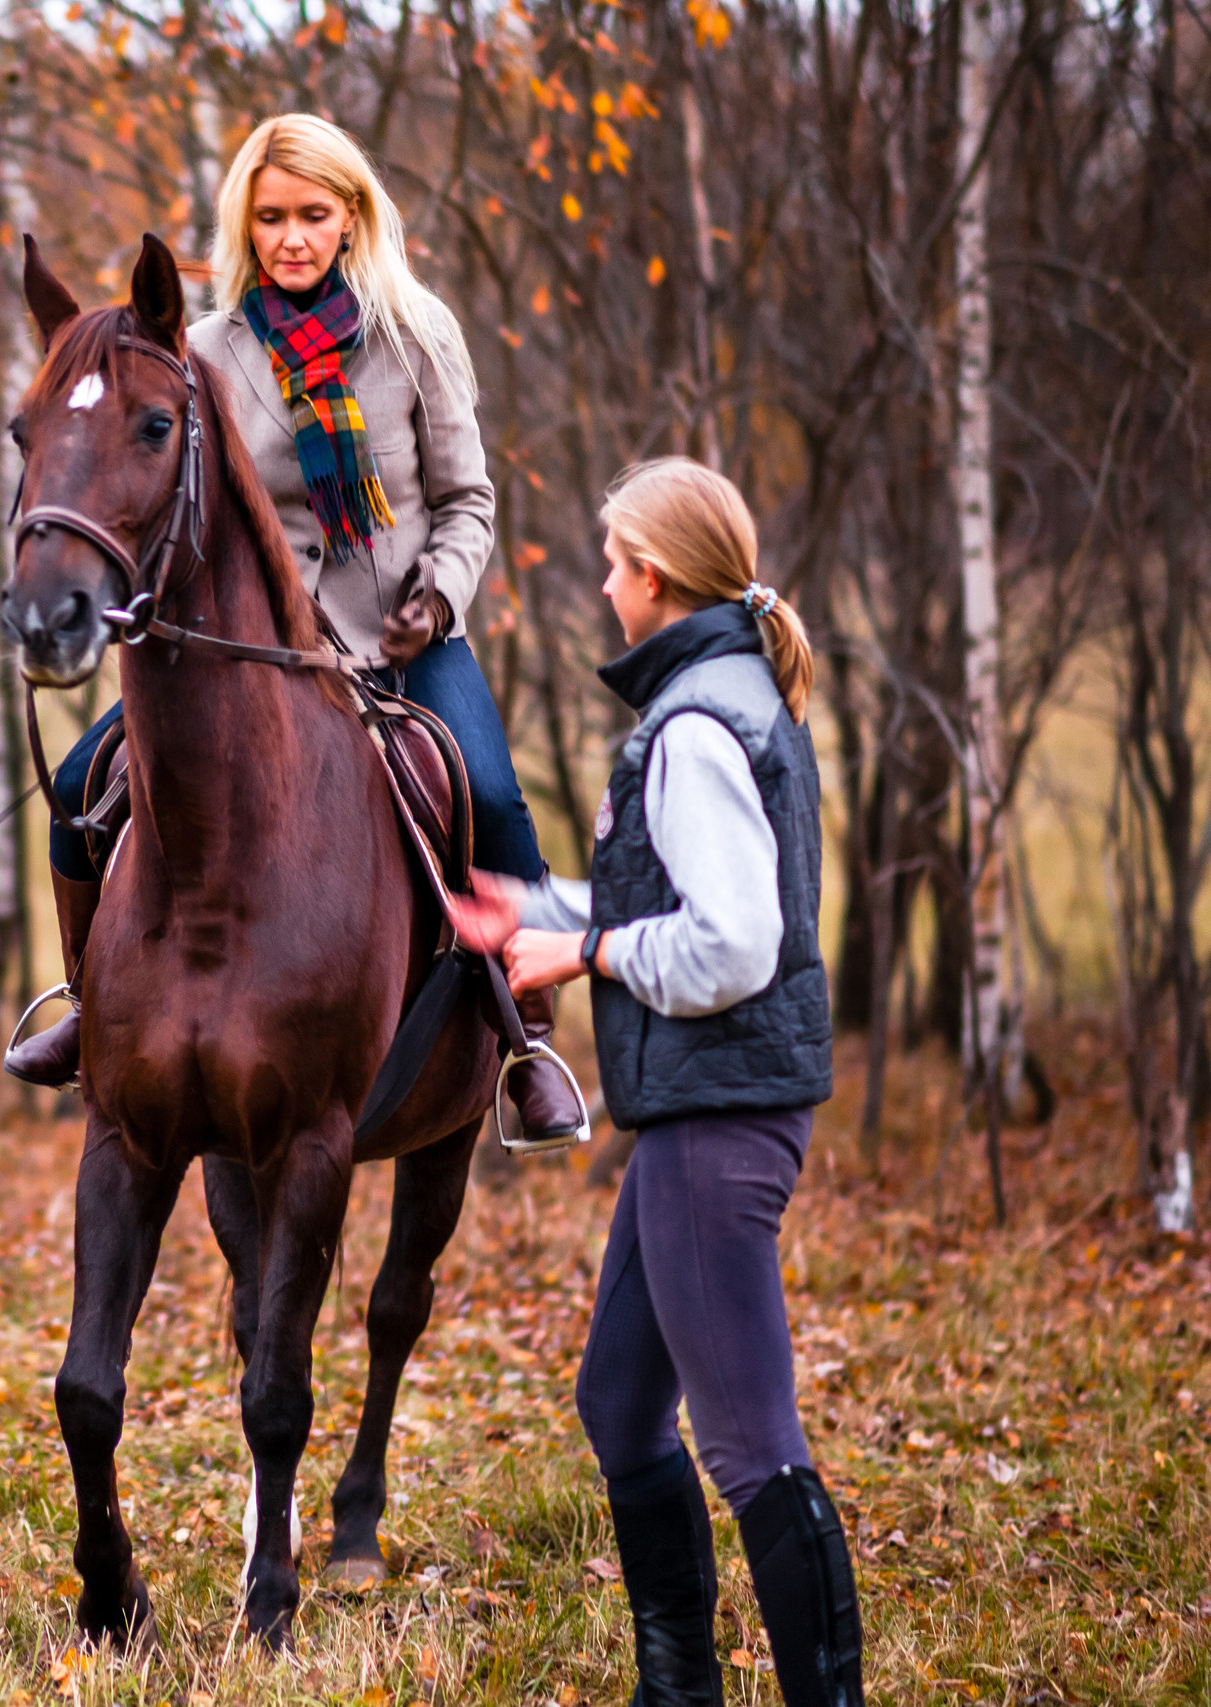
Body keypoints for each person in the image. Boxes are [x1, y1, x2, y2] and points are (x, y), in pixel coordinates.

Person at [4, 112, 584, 1146]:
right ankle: (91, 1007)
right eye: (270, 217)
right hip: (258, 658)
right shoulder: (207, 350)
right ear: (247, 224)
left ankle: (527, 1040)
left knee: (492, 796)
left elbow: (468, 502)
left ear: (353, 217)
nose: (292, 238)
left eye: (314, 214)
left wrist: (437, 599)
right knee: (79, 796)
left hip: (401, 645)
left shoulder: (418, 334)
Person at [452, 457, 862, 1707]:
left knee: (750, 1449)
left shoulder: (691, 727)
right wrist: (535, 906)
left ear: (655, 579)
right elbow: (678, 904)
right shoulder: (727, 694)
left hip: (718, 1117)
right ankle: (676, 1692)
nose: (600, 582)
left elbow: (733, 947)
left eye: (612, 561)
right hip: (703, 1107)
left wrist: (582, 950)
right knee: (621, 1404)